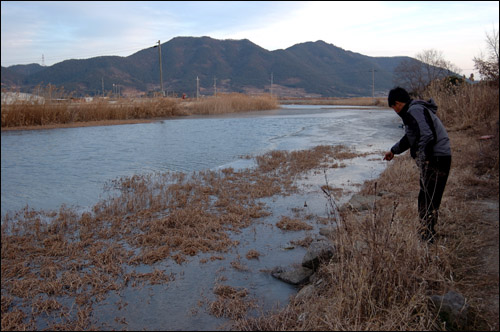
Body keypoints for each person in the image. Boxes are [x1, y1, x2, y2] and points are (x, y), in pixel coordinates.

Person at [384, 87, 452, 243]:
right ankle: (427, 231)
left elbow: (427, 135)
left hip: (436, 158)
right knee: (428, 196)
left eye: (393, 107)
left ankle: (427, 235)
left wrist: (423, 158)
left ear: (397, 103)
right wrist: (394, 151)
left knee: (429, 197)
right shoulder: (414, 110)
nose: (395, 111)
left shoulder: (414, 111)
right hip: (438, 156)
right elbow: (410, 137)